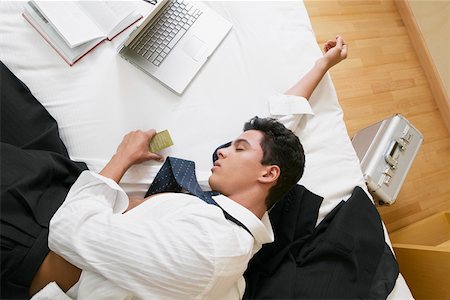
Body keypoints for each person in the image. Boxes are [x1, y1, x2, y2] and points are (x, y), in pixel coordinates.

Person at [1, 36, 347, 299]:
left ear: (266, 175)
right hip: (70, 188)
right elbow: (280, 125)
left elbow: (70, 231)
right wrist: (323, 64)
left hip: (32, 239)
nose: (222, 151)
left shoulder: (212, 253)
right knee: (16, 106)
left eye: (237, 147)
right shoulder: (242, 205)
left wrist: (122, 158)